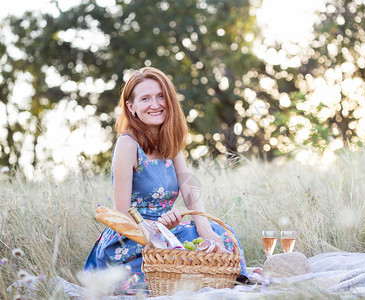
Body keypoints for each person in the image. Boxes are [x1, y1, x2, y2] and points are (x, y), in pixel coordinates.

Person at [83, 67, 248, 294]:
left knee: (221, 235)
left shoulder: (169, 141)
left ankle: (225, 277)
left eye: (161, 96)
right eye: (145, 99)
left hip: (168, 231)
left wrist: (204, 227)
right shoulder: (128, 145)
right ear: (131, 108)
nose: (155, 104)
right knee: (169, 261)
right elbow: (122, 215)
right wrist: (158, 229)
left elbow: (189, 191)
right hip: (134, 237)